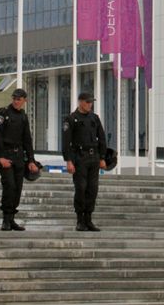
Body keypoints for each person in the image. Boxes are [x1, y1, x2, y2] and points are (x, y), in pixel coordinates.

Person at [0, 88, 39, 231]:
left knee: (17, 188)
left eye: (19, 99)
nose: (16, 101)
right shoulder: (3, 112)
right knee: (10, 186)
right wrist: (1, 157)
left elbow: (27, 139)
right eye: (14, 98)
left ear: (25, 101)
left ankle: (12, 218)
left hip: (18, 156)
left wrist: (31, 160)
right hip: (4, 153)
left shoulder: (23, 116)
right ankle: (6, 219)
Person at [62, 91, 107, 232]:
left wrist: (102, 157)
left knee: (92, 189)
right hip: (79, 157)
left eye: (91, 102)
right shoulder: (71, 119)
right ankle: (80, 220)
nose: (90, 104)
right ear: (80, 102)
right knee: (81, 188)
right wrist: (68, 160)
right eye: (87, 102)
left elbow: (102, 138)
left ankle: (88, 219)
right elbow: (66, 142)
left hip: (93, 157)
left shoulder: (94, 118)